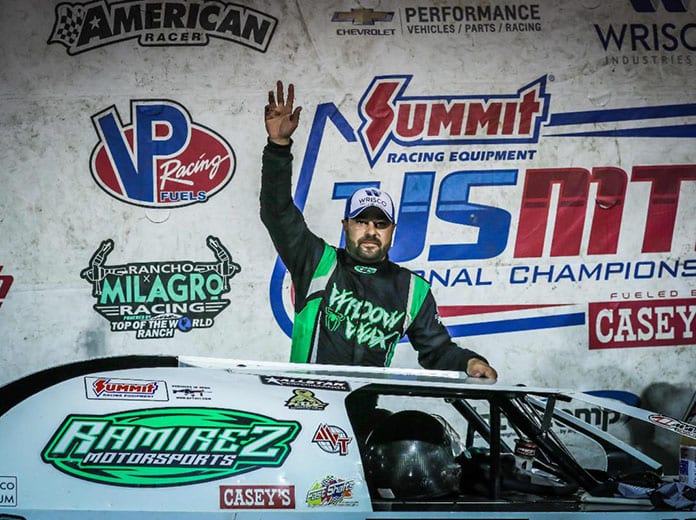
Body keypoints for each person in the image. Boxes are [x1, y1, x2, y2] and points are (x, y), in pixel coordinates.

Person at [260, 80, 497, 379]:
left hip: (361, 407)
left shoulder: (412, 290)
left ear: (392, 230)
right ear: (346, 225)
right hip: (306, 401)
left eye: (380, 224)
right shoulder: (316, 261)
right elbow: (277, 212)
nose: (371, 230)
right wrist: (279, 148)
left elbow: (437, 349)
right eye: (361, 221)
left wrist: (470, 362)